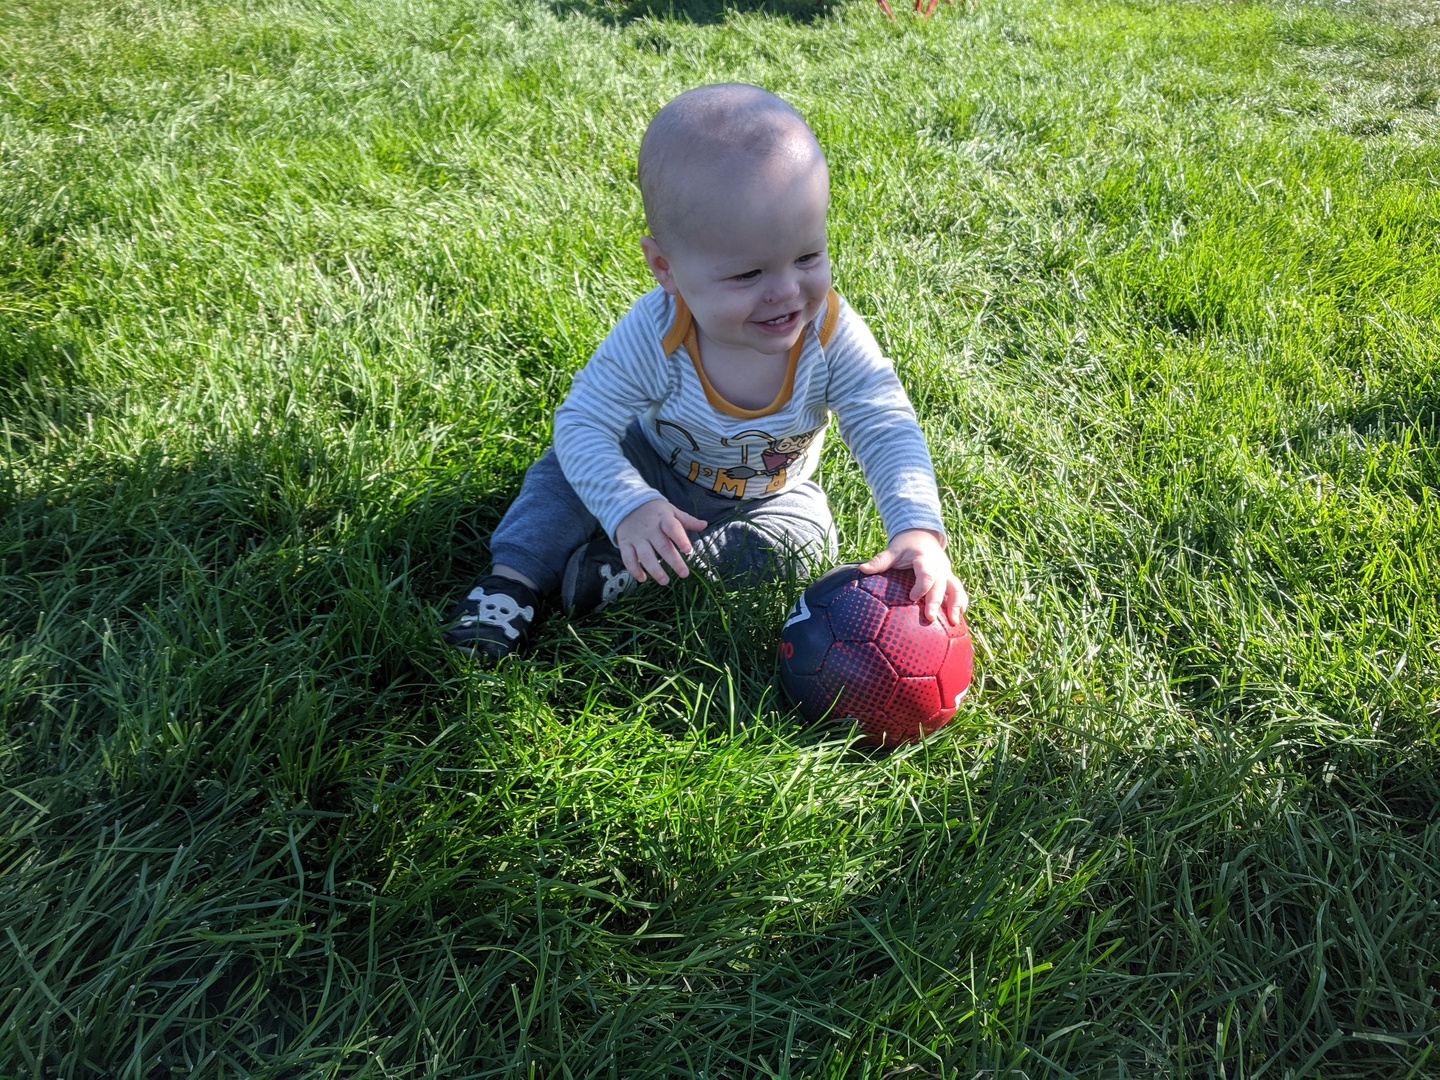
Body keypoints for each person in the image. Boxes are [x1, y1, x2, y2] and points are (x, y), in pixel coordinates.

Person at [443, 83, 968, 660]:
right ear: (665, 267)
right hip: (653, 465)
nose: (786, 291)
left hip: (768, 495)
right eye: (747, 275)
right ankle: (511, 585)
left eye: (807, 256)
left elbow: (884, 424)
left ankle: (640, 568)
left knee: (808, 538)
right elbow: (582, 423)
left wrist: (917, 529)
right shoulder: (658, 334)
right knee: (562, 477)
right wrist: (628, 503)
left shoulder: (830, 333)